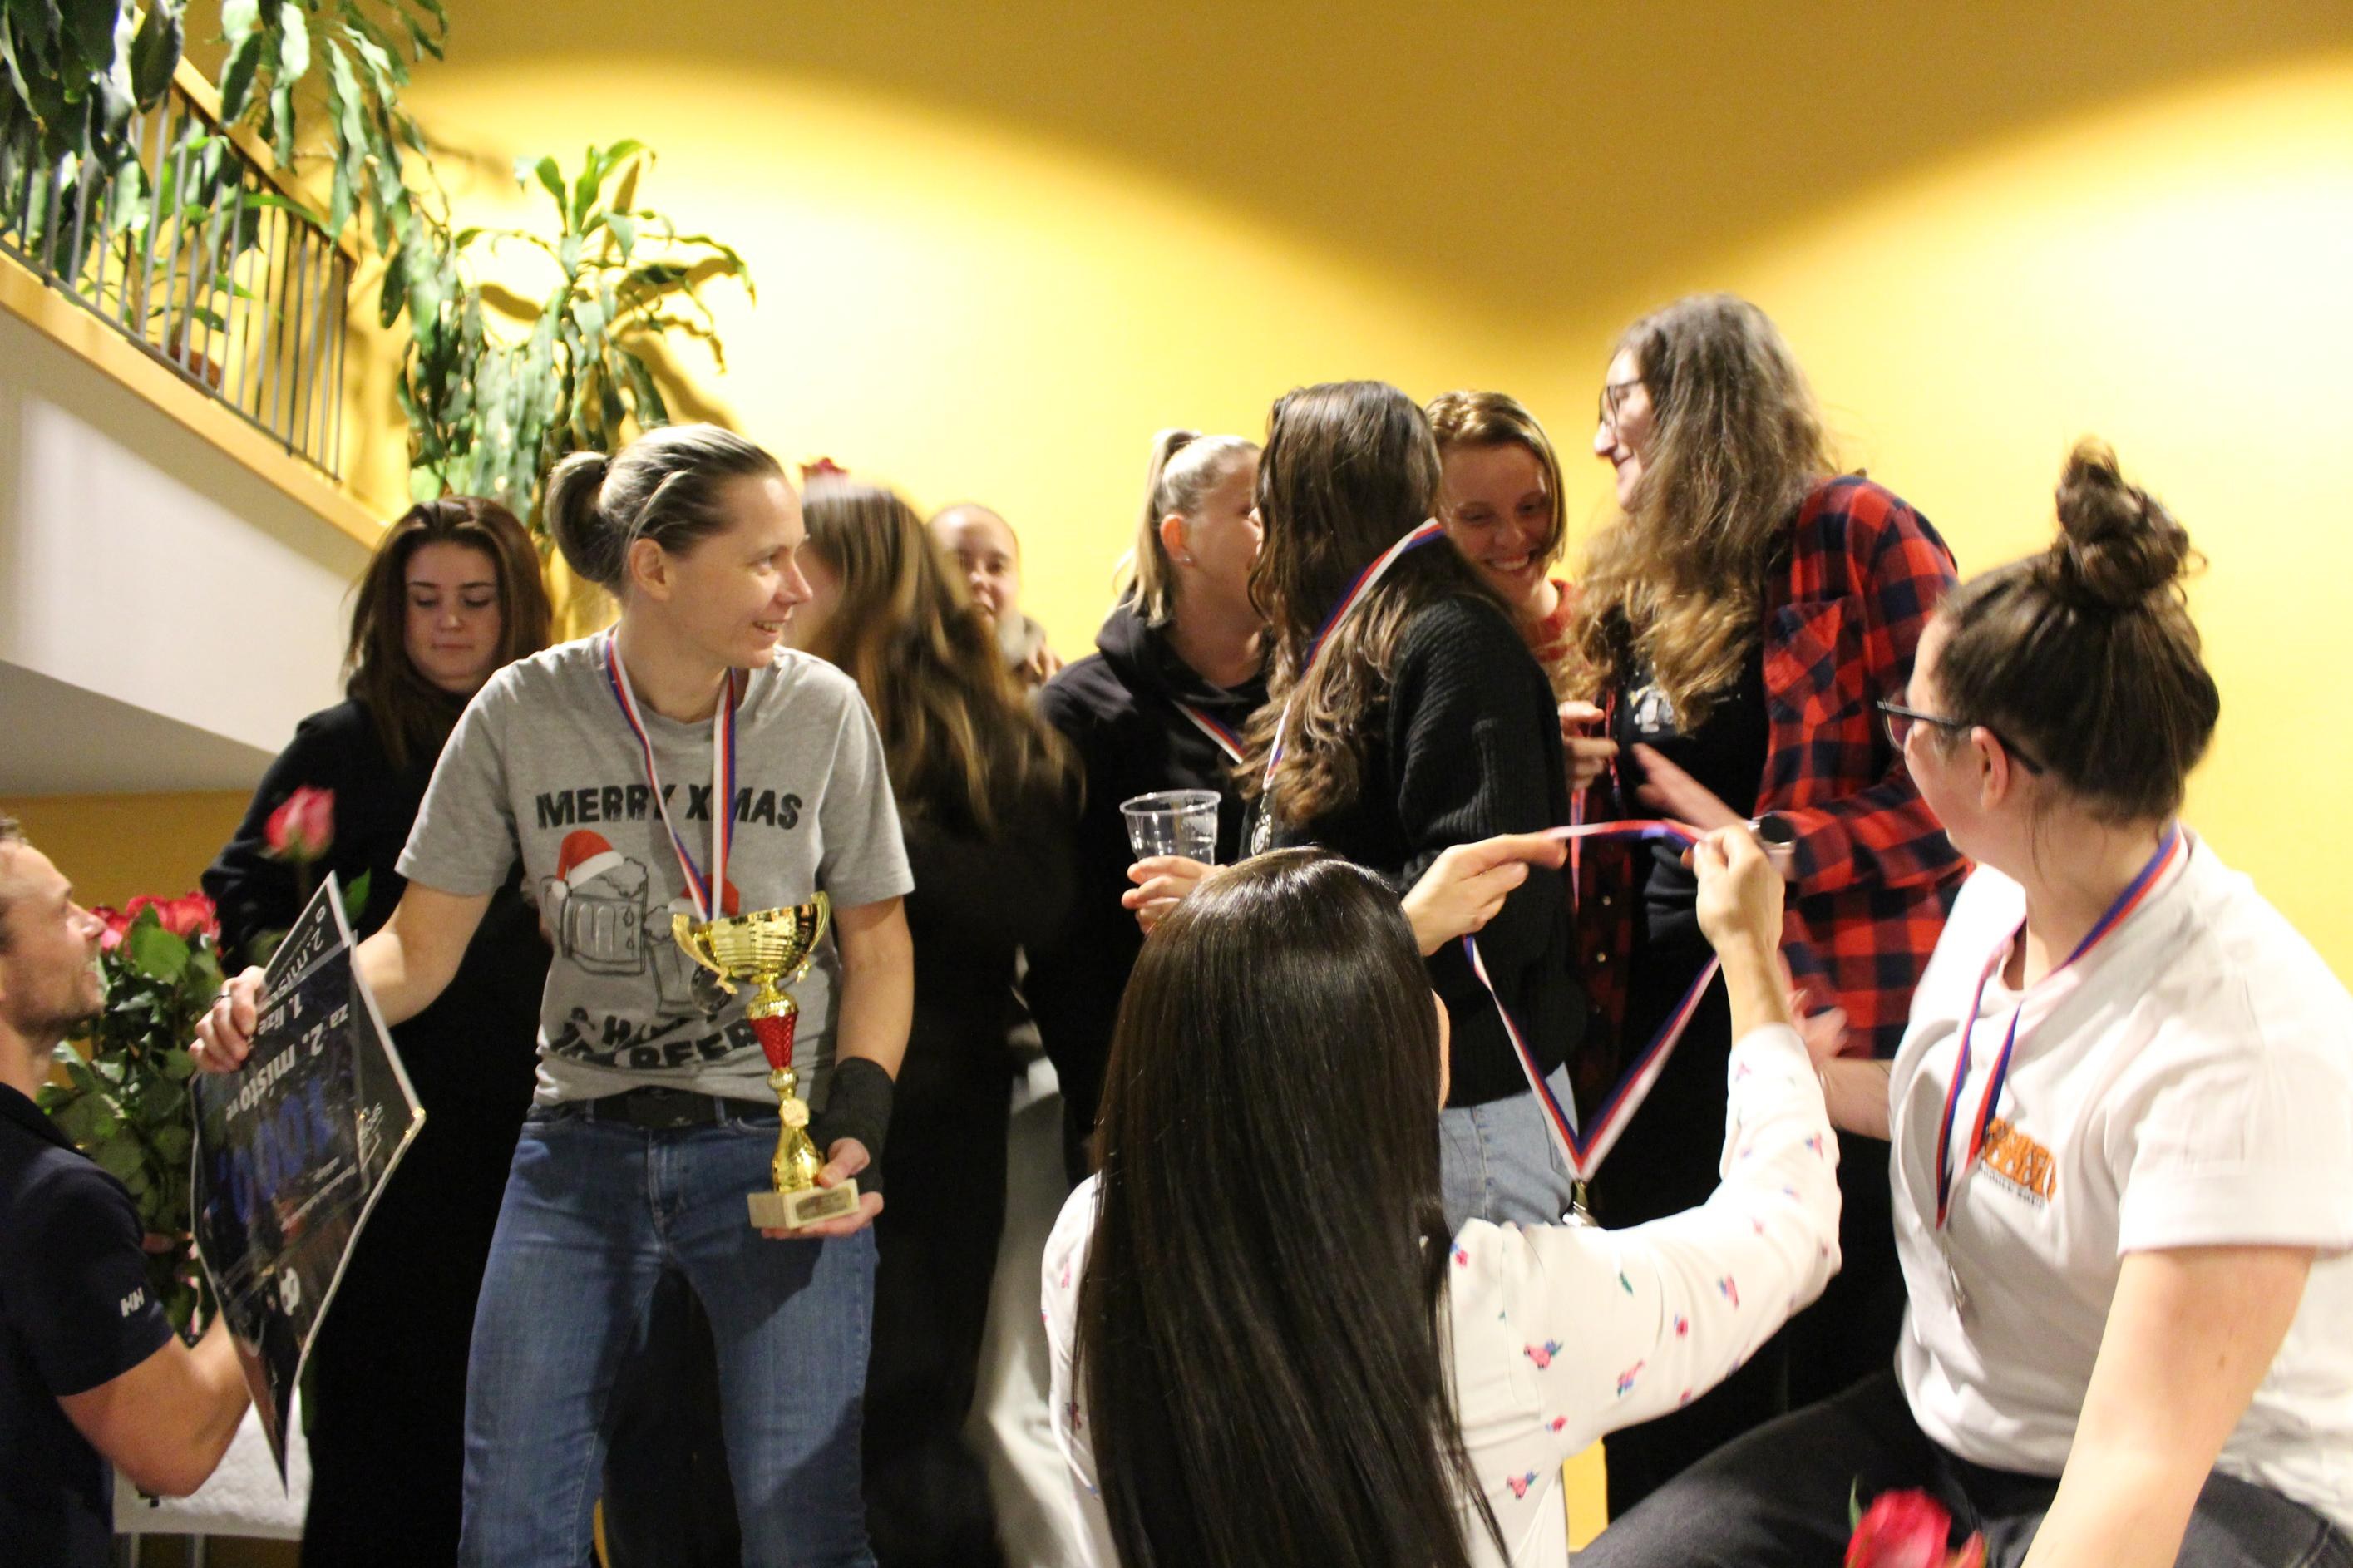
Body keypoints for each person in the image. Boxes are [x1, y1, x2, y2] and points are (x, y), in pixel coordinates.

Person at [1578, 443, 2353, 1568]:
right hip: (1951, 1426)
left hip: (2208, 1481)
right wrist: (1805, 1071)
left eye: (1904, 717)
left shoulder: (2241, 1047)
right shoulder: (2002, 891)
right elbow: (1992, 1115)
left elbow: (2135, 1467)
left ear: (1985, 765)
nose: (1892, 739)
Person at [191, 423, 917, 1568]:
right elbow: (414, 950)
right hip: (577, 1149)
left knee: (802, 1529)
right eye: (766, 558)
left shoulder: (819, 709)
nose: (798, 586)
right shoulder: (521, 711)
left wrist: (856, 1119)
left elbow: (877, 947)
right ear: (656, 567)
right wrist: (279, 1005)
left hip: (768, 1146)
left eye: (796, 555)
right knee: (511, 1528)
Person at [1044, 828, 1842, 1566]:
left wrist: (1342, 944)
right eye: (1412, 976)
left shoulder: (1090, 1240)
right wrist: (1748, 953)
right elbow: (1784, 1229)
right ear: (1399, 1067)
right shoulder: (1492, 1315)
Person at [1566, 294, 1966, 1508]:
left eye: (1618, 403)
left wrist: (1776, 849)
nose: (1598, 439)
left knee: (1832, 1394)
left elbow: (1962, 780)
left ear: (1701, 402)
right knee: (1663, 1384)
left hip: (1820, 1028)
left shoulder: (1860, 535)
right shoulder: (1628, 578)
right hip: (1655, 1039)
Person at [1132, 381, 1582, 1231]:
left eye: (1268, 505)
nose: (1260, 532)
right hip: (1375, 1093)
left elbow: (1494, 903)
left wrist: (1257, 913)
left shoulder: (1455, 641)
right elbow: (1368, 875)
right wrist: (1232, 907)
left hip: (1465, 1114)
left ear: (1316, 510)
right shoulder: (1351, 643)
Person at [201, 496, 552, 1566]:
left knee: (518, 1434)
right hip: (376, 1144)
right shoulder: (342, 744)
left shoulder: (557, 736)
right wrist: (275, 983)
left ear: (517, 608)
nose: (449, 623)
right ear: (390, 612)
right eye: (425, 599)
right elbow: (243, 885)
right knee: (373, 1432)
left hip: (531, 1133)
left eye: (476, 600)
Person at [793, 476, 1077, 1566]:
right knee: (778, 1424)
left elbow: (1032, 906)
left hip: (930, 1126)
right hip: (779, 1114)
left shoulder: (987, 735)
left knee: (906, 1419)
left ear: (858, 581)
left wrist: (868, 847)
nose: (775, 586)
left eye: (795, 562)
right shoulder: (761, 714)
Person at [0, 816, 251, 1566]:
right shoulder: (54, 1201)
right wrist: (279, 1246)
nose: (92, 928)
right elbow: (179, 1444)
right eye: (61, 912)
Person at [1029, 427, 1263, 1180]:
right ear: (1180, 540)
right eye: (1255, 512)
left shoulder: (1317, 690)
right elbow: (1063, 949)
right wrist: (1105, 1110)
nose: (1283, 534)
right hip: (1147, 1094)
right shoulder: (1080, 709)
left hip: (1291, 1068)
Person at [1426, 389, 1576, 693]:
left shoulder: (1612, 630)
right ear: (1430, 522)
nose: (1513, 538)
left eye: (1530, 508)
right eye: (1478, 517)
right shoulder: (1416, 655)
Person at [932, 503, 1061, 688]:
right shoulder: (893, 679)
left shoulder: (1048, 683)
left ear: (1019, 582)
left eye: (996, 567)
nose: (978, 579)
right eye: (957, 564)